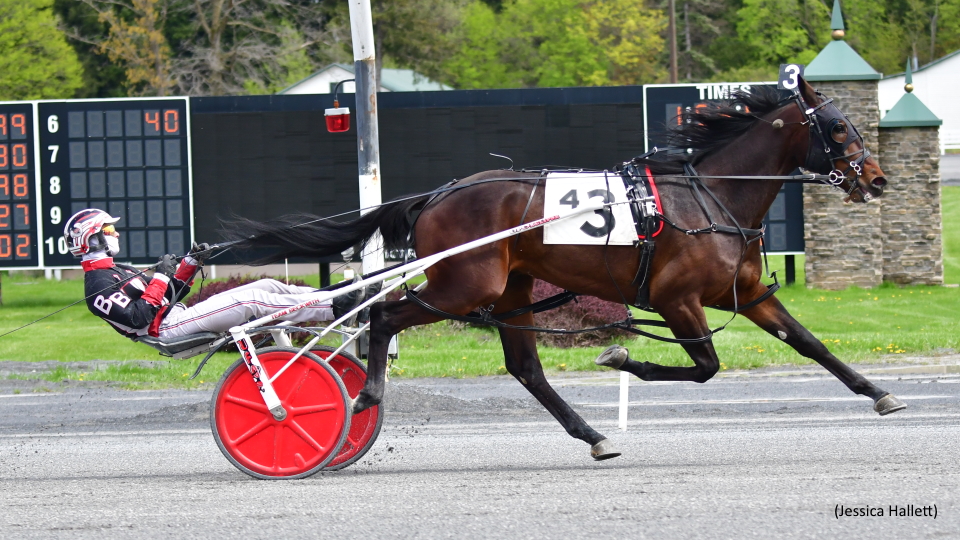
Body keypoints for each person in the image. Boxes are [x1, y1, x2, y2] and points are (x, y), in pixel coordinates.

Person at [65, 208, 368, 341]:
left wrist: (190, 265)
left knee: (267, 284)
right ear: (92, 238)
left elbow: (171, 295)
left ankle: (335, 297)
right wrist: (159, 277)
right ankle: (333, 308)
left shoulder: (118, 270)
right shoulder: (97, 286)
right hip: (168, 330)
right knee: (250, 299)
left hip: (179, 316)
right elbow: (140, 317)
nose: (115, 233)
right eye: (108, 230)